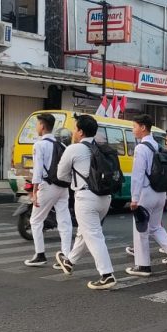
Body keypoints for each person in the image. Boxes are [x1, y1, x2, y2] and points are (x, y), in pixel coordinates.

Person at [54, 115, 116, 289]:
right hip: (105, 197)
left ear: (80, 132)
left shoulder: (74, 149)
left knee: (93, 235)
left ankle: (107, 274)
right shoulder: (102, 148)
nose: (74, 132)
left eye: (75, 128)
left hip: (86, 197)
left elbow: (61, 175)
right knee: (84, 232)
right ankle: (69, 262)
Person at [126, 114, 167, 277]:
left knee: (141, 230)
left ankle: (143, 266)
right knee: (156, 226)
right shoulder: (159, 147)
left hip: (145, 193)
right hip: (160, 193)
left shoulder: (141, 148)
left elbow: (137, 174)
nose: (133, 130)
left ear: (143, 127)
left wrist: (134, 198)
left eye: (134, 126)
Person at [25, 113, 72, 267]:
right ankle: (65, 256)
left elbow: (38, 169)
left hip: (47, 186)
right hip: (63, 187)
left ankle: (40, 254)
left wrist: (34, 192)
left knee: (36, 220)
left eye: (37, 124)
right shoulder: (61, 144)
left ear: (43, 126)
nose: (36, 127)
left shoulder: (39, 145)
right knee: (64, 222)